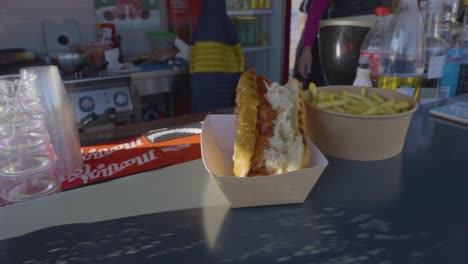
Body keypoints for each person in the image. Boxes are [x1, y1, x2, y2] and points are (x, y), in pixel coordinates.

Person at [294, 0, 392, 87]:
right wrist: (307, 48)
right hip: (339, 40)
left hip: (373, 44)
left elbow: (387, 9)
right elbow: (317, 8)